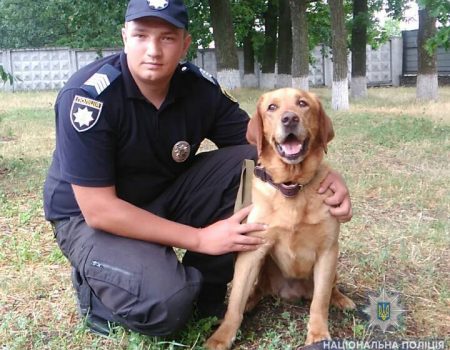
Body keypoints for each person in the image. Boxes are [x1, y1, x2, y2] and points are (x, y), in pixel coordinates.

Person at [43, 0, 352, 338]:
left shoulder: (195, 86)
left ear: (185, 43)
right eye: (141, 35)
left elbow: (263, 143)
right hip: (90, 218)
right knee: (168, 307)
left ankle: (204, 283)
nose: (153, 50)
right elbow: (99, 210)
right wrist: (200, 238)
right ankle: (100, 290)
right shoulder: (89, 97)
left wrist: (325, 177)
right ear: (124, 37)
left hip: (163, 195)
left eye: (167, 38)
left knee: (245, 165)